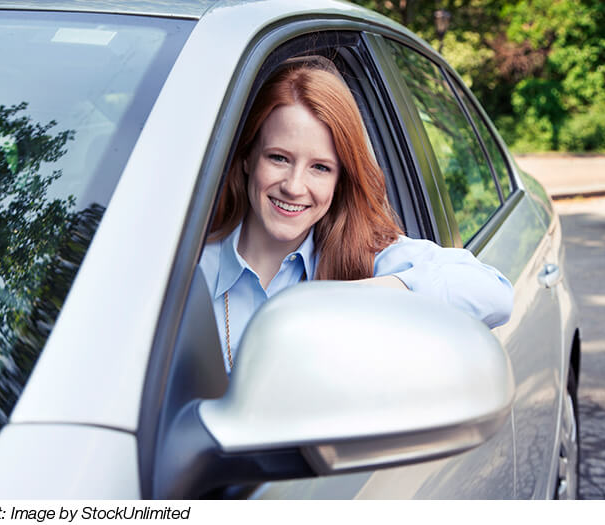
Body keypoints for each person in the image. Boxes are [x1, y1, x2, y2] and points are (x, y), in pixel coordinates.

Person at [199, 57, 513, 372]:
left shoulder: (361, 257)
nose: (294, 187)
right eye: (279, 158)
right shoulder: (186, 263)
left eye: (320, 167)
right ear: (246, 159)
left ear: (340, 180)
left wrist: (350, 297)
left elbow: (494, 292)